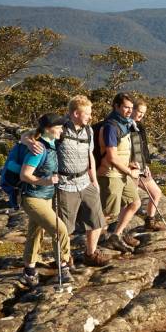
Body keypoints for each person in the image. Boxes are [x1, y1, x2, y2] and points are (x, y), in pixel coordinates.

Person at [15, 112, 73, 287]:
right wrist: (46, 181)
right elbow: (24, 175)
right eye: (59, 127)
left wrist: (25, 138)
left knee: (36, 232)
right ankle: (63, 267)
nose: (62, 130)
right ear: (48, 129)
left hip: (45, 196)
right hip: (32, 197)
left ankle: (29, 271)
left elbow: (26, 134)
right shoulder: (38, 149)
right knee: (59, 230)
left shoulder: (52, 143)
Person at [55, 95, 110, 268]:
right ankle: (64, 259)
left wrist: (94, 181)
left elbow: (90, 156)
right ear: (76, 113)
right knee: (64, 227)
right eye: (87, 113)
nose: (90, 117)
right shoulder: (59, 128)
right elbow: (33, 136)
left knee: (96, 220)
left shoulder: (88, 131)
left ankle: (90, 254)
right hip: (65, 184)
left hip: (86, 181)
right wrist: (27, 139)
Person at [97, 92, 143, 253]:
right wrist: (131, 173)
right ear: (116, 106)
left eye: (131, 108)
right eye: (126, 107)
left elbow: (120, 153)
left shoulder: (125, 124)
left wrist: (130, 164)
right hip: (111, 175)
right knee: (108, 213)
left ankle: (115, 235)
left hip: (122, 172)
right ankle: (95, 244)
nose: (129, 111)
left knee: (134, 202)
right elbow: (111, 158)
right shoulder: (111, 126)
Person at [131, 99, 164, 231]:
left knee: (156, 193)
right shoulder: (124, 126)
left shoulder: (140, 126)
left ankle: (150, 221)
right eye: (139, 111)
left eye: (143, 113)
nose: (141, 115)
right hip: (130, 169)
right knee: (129, 203)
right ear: (132, 109)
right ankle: (118, 231)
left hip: (141, 167)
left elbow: (142, 148)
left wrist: (146, 165)